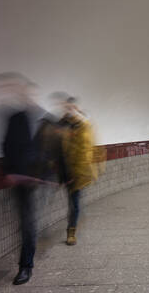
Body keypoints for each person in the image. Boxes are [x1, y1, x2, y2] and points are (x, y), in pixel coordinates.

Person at [0, 72, 44, 285]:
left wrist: (37, 175)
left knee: (27, 223)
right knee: (23, 222)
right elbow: (6, 145)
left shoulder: (40, 118)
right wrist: (8, 173)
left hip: (32, 179)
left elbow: (45, 150)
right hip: (15, 178)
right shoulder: (13, 117)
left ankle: (26, 267)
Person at [54, 94, 97, 246]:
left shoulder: (82, 124)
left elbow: (85, 150)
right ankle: (75, 223)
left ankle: (71, 232)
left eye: (71, 107)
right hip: (66, 172)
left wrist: (77, 173)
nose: (69, 110)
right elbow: (57, 150)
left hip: (78, 173)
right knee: (74, 203)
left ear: (76, 108)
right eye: (66, 107)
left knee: (75, 204)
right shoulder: (61, 124)